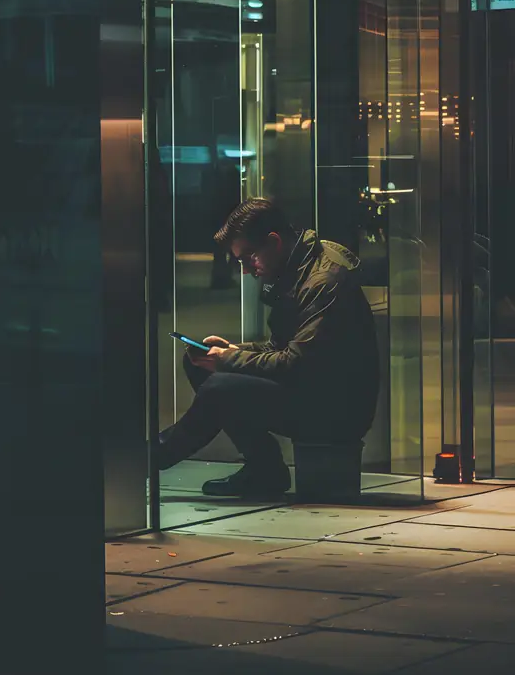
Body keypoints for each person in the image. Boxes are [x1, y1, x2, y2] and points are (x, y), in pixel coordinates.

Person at [159, 197, 380, 498]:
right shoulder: (298, 268)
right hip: (318, 390)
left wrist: (231, 359)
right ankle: (264, 470)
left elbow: (296, 363)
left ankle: (152, 458)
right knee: (200, 363)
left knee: (219, 387)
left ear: (274, 242)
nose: (248, 270)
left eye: (249, 258)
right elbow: (286, 349)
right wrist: (232, 350)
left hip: (338, 409)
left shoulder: (322, 281)